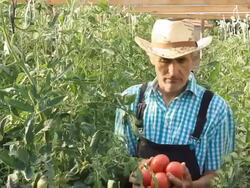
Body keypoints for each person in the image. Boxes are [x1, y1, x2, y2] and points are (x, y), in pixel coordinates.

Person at [114, 19, 235, 187]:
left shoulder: (215, 109)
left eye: (181, 60)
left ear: (193, 60)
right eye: (164, 60)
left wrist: (192, 186)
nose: (172, 71)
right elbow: (117, 160)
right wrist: (134, 170)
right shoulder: (131, 100)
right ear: (152, 58)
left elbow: (219, 176)